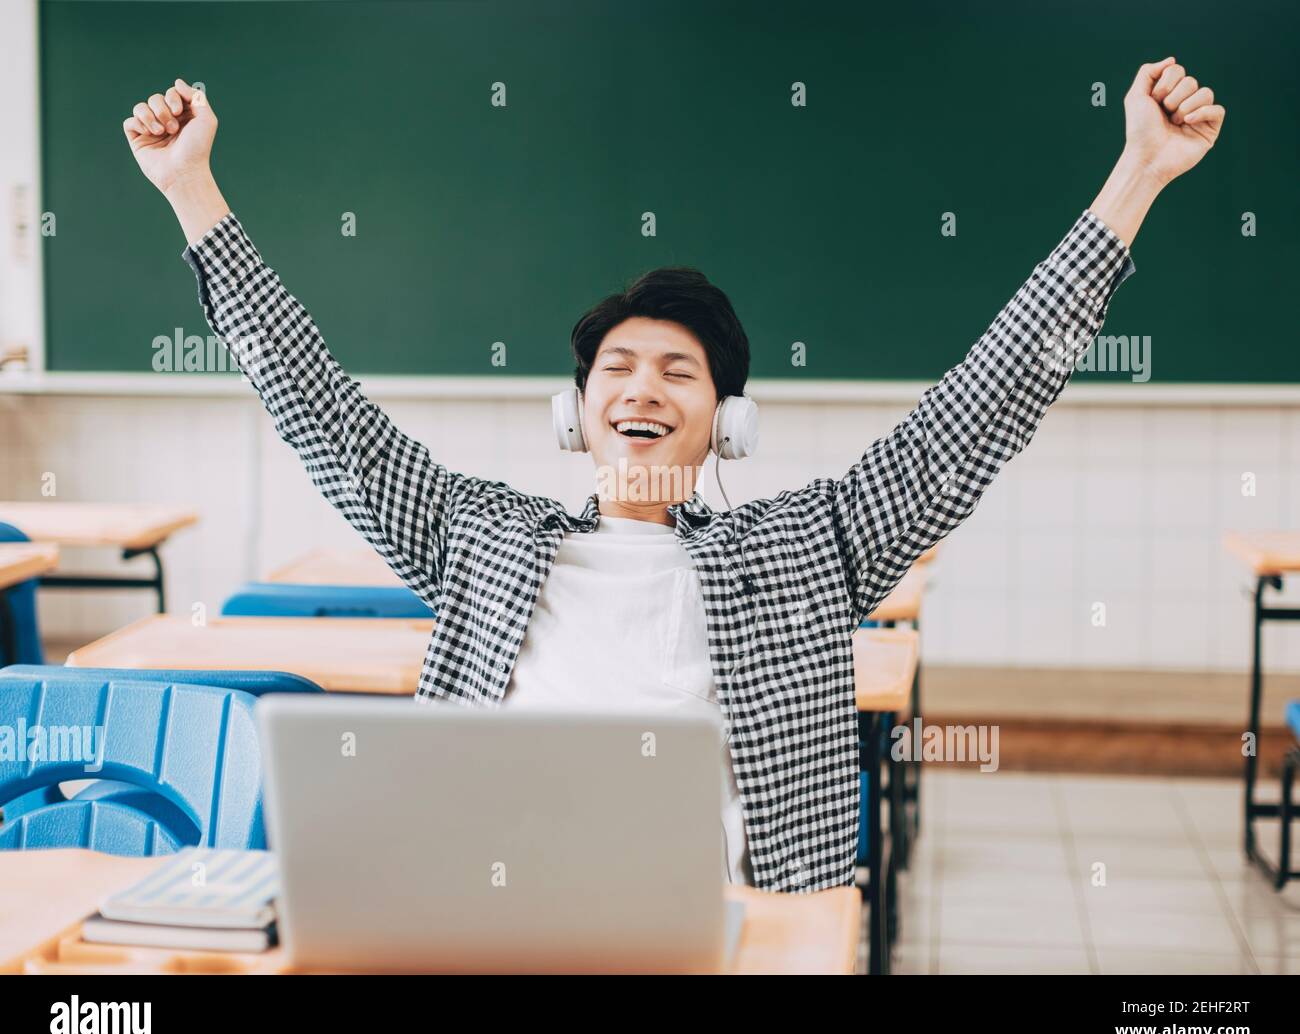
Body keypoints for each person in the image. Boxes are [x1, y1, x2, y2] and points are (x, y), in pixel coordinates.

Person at [122, 60, 1223, 892]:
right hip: (486, 901)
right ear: (576, 411)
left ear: (725, 419)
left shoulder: (805, 545)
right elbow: (323, 411)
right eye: (618, 369)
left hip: (717, 913)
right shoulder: (480, 536)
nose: (641, 391)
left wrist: (1136, 176)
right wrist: (190, 194)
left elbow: (980, 408)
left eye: (676, 373)